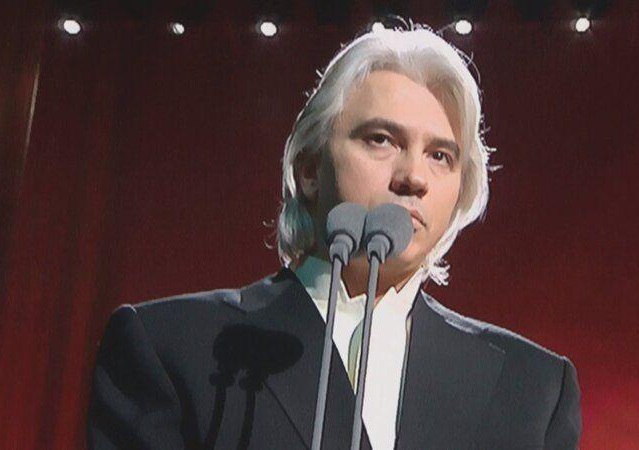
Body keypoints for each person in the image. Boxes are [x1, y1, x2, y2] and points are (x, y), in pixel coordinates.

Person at [87, 25, 581, 450]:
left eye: (440, 156)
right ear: (309, 170)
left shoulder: (532, 388)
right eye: (381, 140)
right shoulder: (172, 346)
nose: (414, 177)